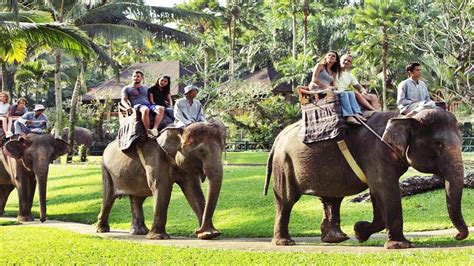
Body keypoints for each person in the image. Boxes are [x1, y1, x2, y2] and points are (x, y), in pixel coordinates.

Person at [301, 51, 364, 125]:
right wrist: (326, 86)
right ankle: (348, 116)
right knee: (343, 94)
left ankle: (356, 113)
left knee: (350, 93)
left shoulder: (333, 72)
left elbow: (333, 84)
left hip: (326, 91)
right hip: (316, 90)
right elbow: (314, 79)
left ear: (336, 60)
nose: (331, 56)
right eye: (329, 55)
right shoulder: (320, 66)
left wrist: (333, 88)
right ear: (326, 57)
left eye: (333, 56)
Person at [121, 70, 165, 137]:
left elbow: (152, 98)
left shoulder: (146, 88)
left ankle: (154, 129)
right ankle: (148, 130)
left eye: (138, 76)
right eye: (134, 76)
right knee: (145, 109)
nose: (136, 78)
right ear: (132, 77)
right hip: (137, 106)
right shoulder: (127, 88)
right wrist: (127, 107)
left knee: (161, 108)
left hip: (149, 105)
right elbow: (123, 100)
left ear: (142, 78)